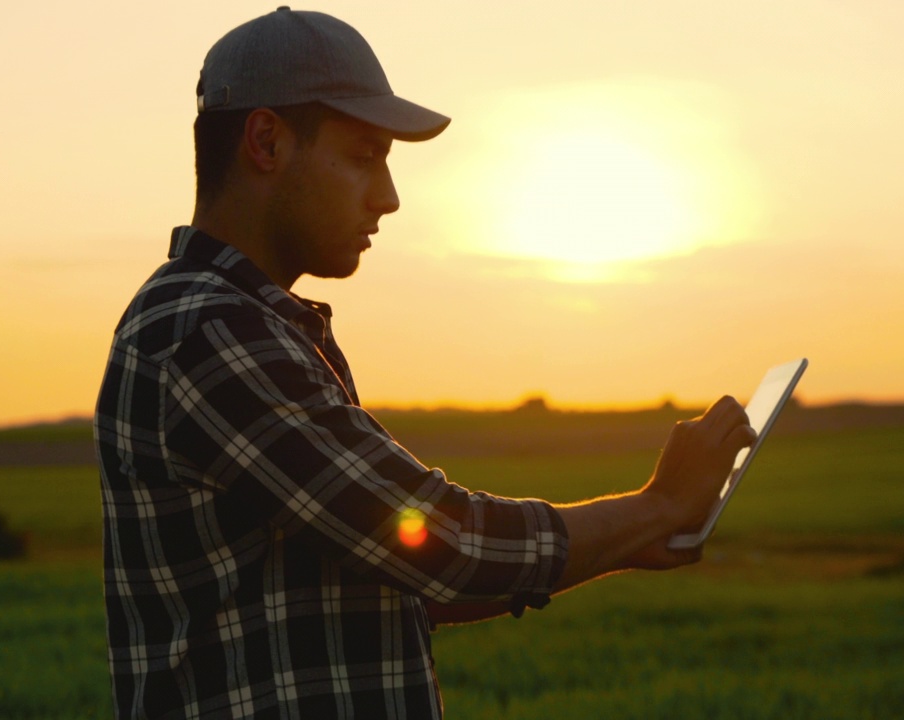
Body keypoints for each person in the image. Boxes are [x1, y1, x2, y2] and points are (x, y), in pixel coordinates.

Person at [93, 7, 754, 719]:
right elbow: (434, 543)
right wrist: (653, 508)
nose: (388, 196)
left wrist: (630, 539)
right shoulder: (209, 331)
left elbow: (399, 580)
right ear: (266, 141)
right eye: (363, 156)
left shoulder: (253, 326)